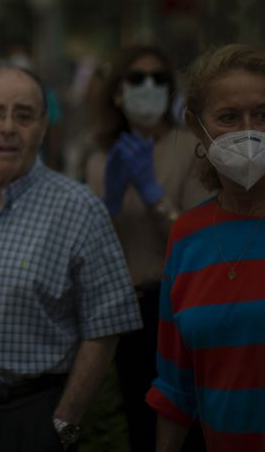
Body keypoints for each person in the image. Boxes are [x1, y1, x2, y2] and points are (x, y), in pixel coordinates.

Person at [0, 64, 142, 452]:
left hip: (33, 416)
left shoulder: (78, 208)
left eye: (24, 115)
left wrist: (64, 422)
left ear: (44, 126)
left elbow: (105, 327)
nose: (8, 128)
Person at [85, 45, 209, 452]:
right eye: (138, 79)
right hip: (131, 309)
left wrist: (154, 195)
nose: (149, 87)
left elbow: (197, 239)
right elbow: (92, 245)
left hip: (180, 301)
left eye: (159, 79)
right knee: (141, 422)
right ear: (118, 91)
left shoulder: (189, 146)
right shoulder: (102, 157)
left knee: (188, 422)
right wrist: (113, 201)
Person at [147, 44, 265, 451]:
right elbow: (174, 385)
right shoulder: (187, 236)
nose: (249, 131)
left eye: (262, 114)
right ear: (197, 127)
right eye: (229, 117)